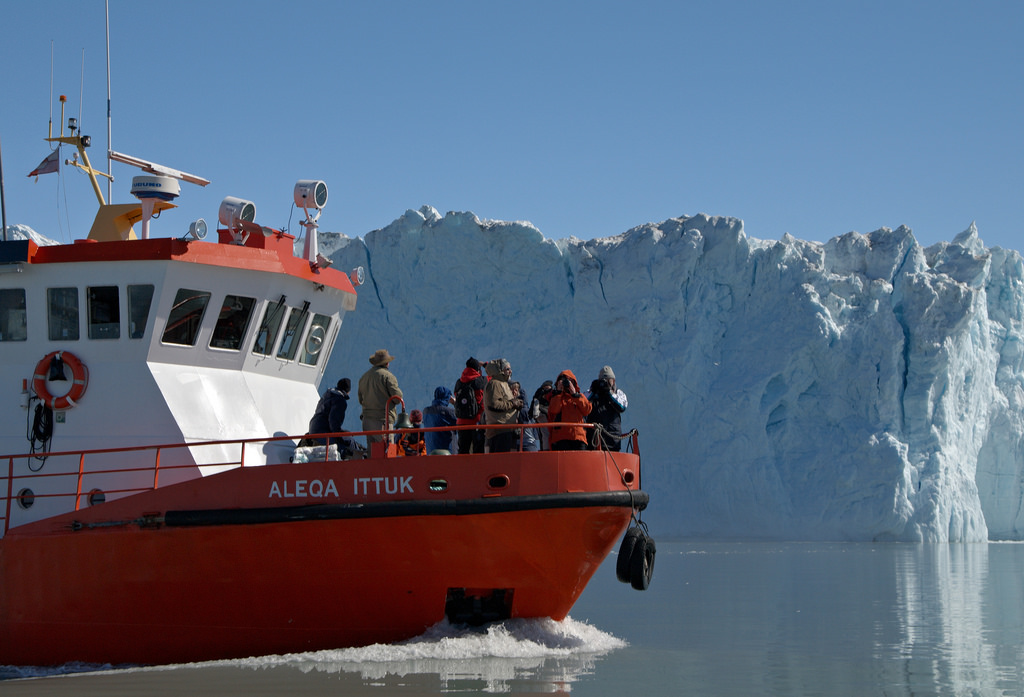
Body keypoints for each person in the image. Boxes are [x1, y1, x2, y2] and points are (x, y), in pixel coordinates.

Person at [358, 349, 403, 447]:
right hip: (383, 421)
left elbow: (360, 400)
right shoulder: (388, 377)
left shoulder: (364, 377)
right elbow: (397, 398)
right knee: (388, 451)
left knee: (373, 454)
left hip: (367, 421)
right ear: (387, 363)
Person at [483, 359, 523, 453]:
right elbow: (494, 404)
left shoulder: (503, 383)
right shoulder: (495, 384)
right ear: (500, 370)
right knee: (501, 462)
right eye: (507, 368)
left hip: (506, 429)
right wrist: (513, 404)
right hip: (500, 430)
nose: (510, 371)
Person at [546, 370, 592, 451]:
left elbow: (587, 410)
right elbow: (553, 410)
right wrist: (559, 392)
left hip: (578, 437)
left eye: (569, 381)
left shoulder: (579, 396)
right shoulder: (556, 397)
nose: (566, 384)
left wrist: (574, 394)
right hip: (561, 438)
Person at [453, 357, 488, 454]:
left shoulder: (458, 383)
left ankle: (462, 469)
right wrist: (485, 365)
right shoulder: (482, 381)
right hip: (477, 421)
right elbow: (493, 376)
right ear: (477, 369)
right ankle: (477, 469)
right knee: (478, 450)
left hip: (461, 422)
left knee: (463, 450)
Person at [306, 377, 350, 446]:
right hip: (322, 433)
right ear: (348, 391)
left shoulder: (326, 396)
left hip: (313, 429)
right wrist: (339, 437)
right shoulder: (339, 400)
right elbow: (334, 421)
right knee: (346, 445)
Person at [587, 377, 626, 451]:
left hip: (613, 441)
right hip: (593, 440)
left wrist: (609, 393)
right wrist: (593, 391)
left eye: (608, 380)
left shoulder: (618, 394)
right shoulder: (593, 394)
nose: (604, 383)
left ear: (613, 380)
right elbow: (582, 404)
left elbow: (622, 407)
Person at [422, 386, 457, 453]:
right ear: (448, 397)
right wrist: (455, 403)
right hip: (448, 452)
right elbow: (460, 419)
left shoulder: (426, 411)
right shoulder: (449, 412)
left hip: (430, 452)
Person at [510, 381, 539, 452]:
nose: (514, 392)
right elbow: (536, 435)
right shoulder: (528, 412)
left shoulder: (510, 411)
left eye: (516, 390)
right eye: (512, 390)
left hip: (516, 444)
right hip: (529, 443)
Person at [530, 380, 554, 450]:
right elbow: (532, 414)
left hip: (555, 440)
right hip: (545, 443)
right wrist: (536, 398)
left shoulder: (554, 403)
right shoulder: (538, 406)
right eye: (545, 389)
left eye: (549, 390)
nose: (547, 392)